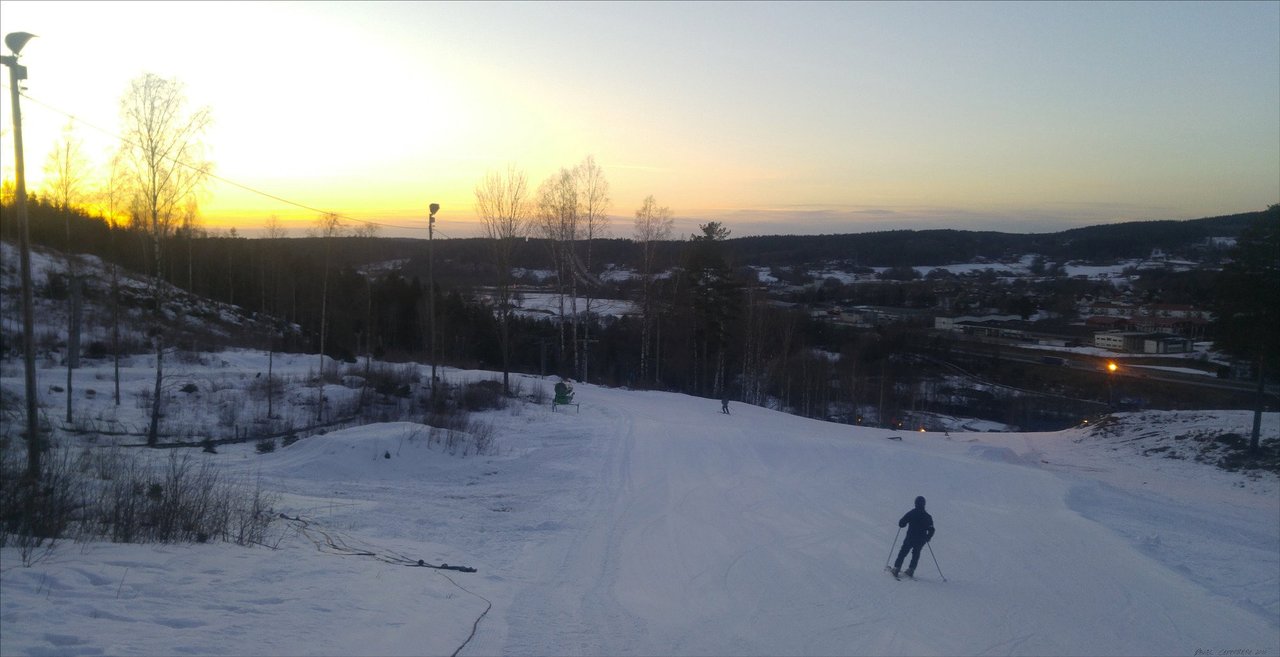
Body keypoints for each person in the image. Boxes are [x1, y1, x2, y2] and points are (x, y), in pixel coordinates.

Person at [892, 495, 935, 578]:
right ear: (924, 504)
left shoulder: (912, 513)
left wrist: (902, 524)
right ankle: (911, 570)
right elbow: (932, 529)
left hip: (911, 537)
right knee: (916, 553)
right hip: (921, 539)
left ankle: (897, 568)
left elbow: (902, 522)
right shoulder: (927, 516)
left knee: (903, 552)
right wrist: (928, 537)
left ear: (915, 503)